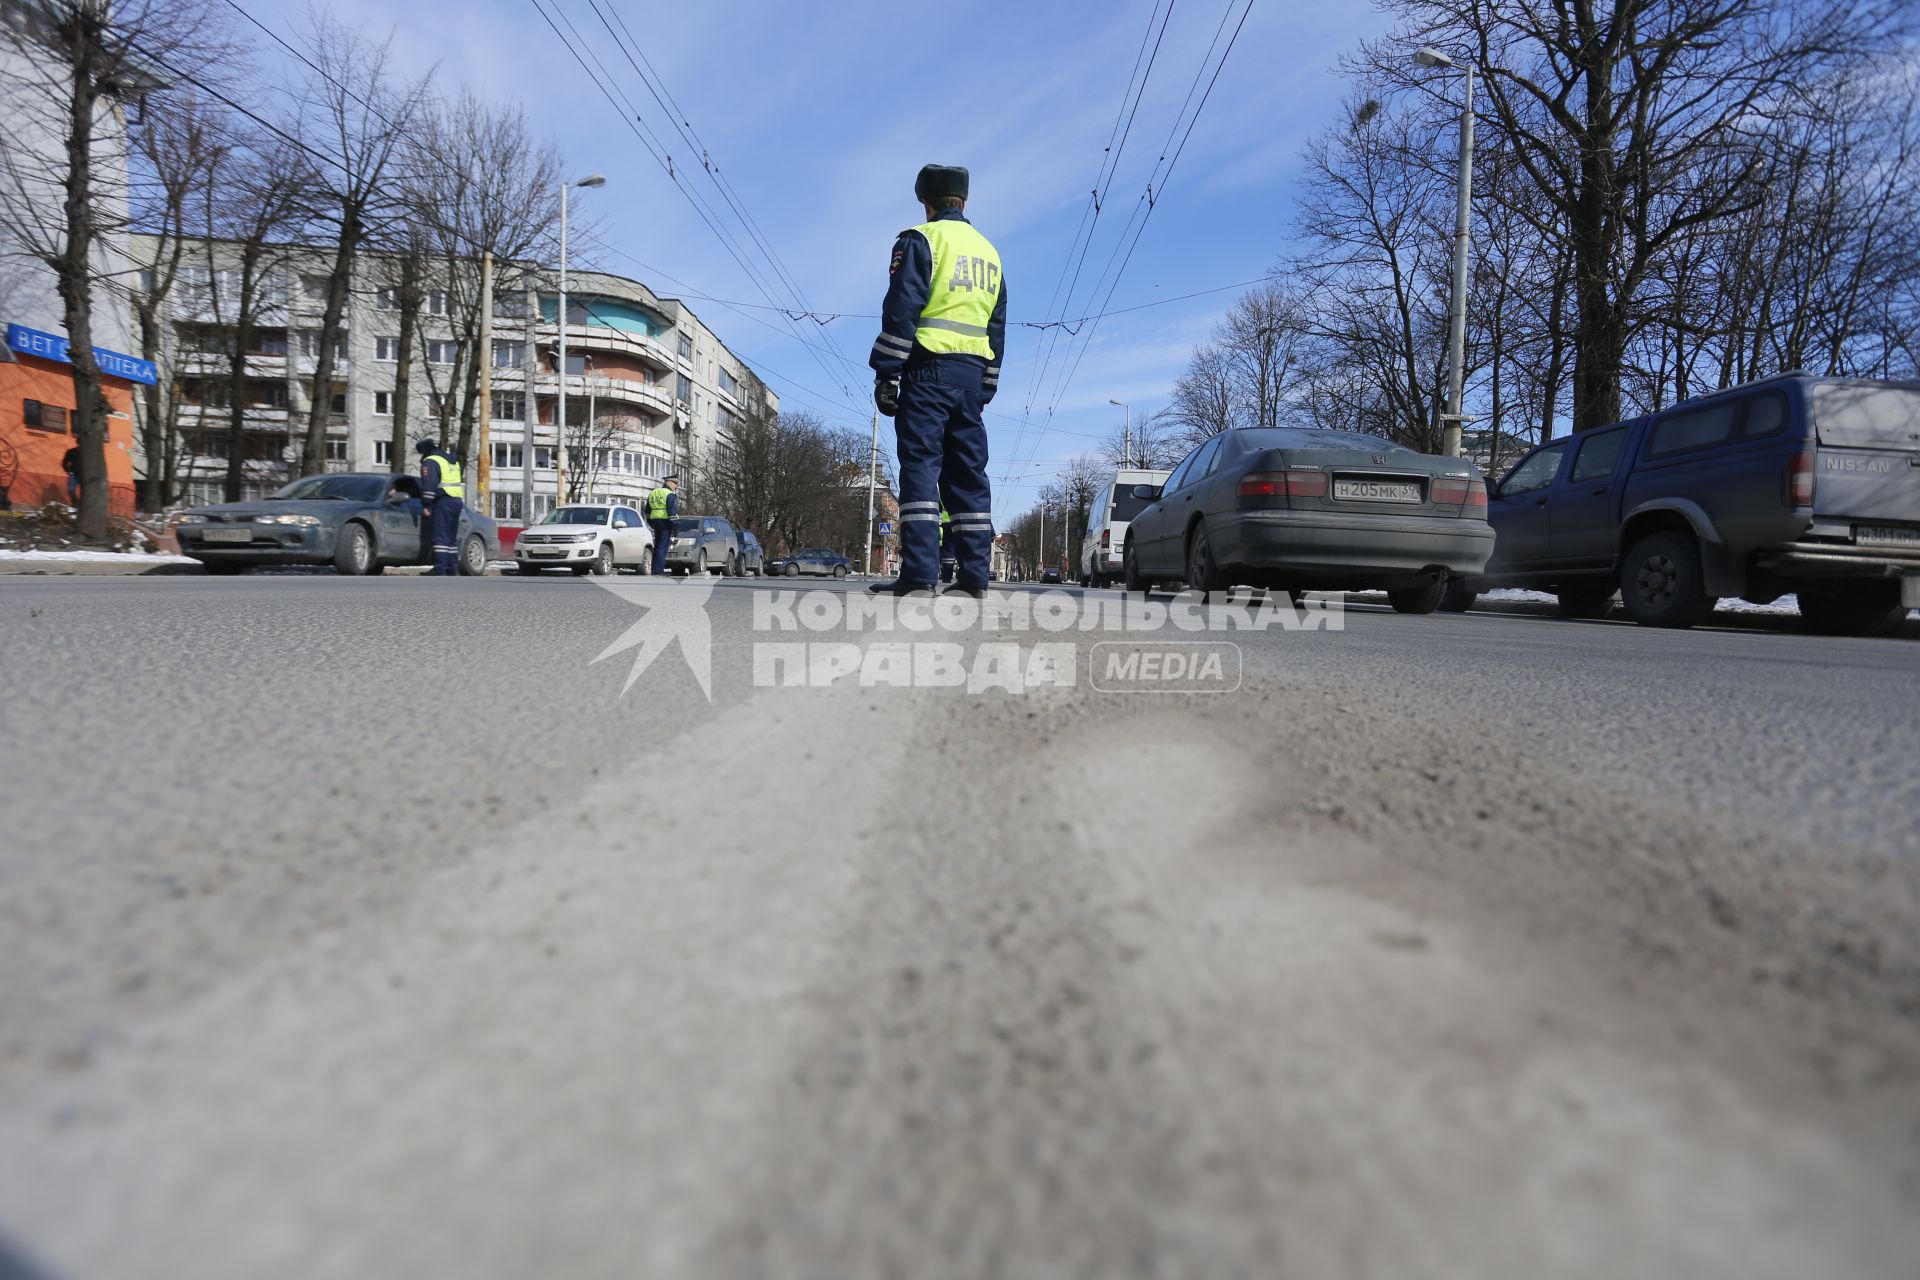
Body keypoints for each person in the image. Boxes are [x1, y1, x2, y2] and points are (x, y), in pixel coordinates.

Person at [867, 163, 1006, 598]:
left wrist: (887, 373)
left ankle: (920, 575)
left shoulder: (920, 240)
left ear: (925, 202)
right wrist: (986, 385)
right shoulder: (989, 252)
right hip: (970, 379)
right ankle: (974, 578)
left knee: (922, 469)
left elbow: (903, 308)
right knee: (969, 475)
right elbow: (997, 325)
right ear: (965, 201)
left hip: (926, 372)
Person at [415, 438, 464, 575]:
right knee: (450, 538)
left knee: (440, 536)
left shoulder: (431, 461)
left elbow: (429, 485)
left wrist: (426, 505)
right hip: (456, 500)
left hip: (443, 500)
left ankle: (440, 567)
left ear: (424, 450)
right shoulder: (450, 460)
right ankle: (452, 567)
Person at [646, 473, 679, 576]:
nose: (676, 486)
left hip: (655, 521)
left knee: (657, 546)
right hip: (665, 522)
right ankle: (658, 571)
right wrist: (675, 526)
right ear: (668, 482)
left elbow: (647, 510)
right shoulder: (670, 494)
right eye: (675, 483)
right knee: (662, 547)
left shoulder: (653, 492)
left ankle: (654, 569)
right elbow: (671, 512)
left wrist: (651, 523)